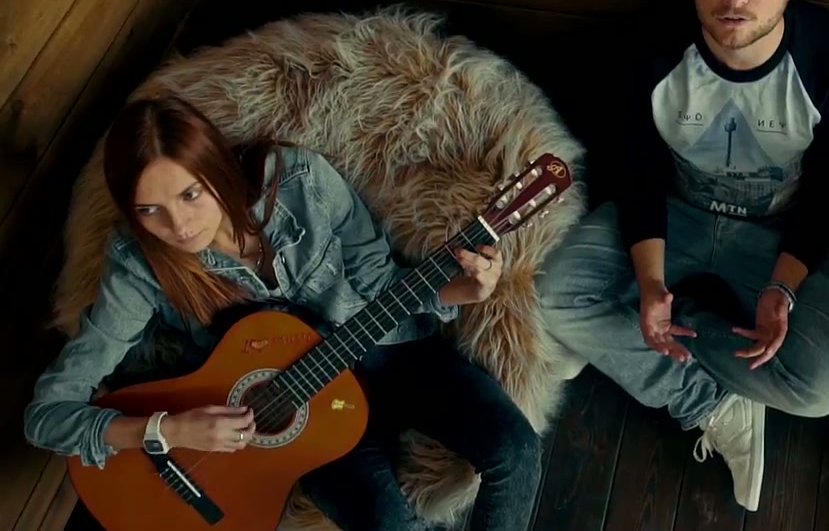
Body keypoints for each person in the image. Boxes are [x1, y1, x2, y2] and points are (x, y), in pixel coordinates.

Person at [24, 96, 542, 531]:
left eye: (190, 194)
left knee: (516, 452)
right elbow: (47, 417)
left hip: (388, 352)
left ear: (215, 167)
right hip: (294, 413)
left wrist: (459, 291)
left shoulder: (300, 181)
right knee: (387, 524)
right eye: (149, 210)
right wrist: (171, 431)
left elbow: (381, 284)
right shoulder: (138, 262)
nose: (178, 226)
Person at [537, 0, 829, 511]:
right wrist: (650, 280)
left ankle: (634, 334)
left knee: (821, 387)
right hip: (675, 212)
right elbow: (636, 172)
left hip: (777, 231)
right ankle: (710, 402)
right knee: (554, 295)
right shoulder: (653, 46)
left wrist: (783, 288)